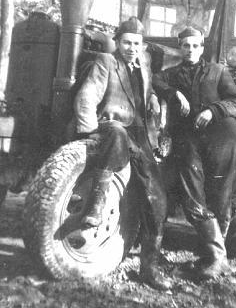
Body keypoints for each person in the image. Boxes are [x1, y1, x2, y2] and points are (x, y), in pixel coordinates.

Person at [73, 17, 171, 291]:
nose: (131, 48)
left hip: (140, 135)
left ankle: (149, 268)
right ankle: (96, 203)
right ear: (117, 42)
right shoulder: (106, 61)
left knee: (157, 197)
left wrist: (152, 103)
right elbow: (87, 94)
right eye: (126, 42)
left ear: (142, 46)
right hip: (111, 126)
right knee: (116, 133)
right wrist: (87, 131)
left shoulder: (145, 65)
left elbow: (146, 94)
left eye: (136, 44)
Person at [153, 26, 236, 280]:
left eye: (195, 46)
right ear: (180, 47)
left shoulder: (218, 72)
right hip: (190, 141)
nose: (190, 50)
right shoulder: (172, 75)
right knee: (193, 195)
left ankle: (213, 257)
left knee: (220, 196)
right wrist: (174, 94)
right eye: (185, 45)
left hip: (221, 139)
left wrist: (212, 111)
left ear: (202, 48)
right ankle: (216, 257)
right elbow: (155, 80)